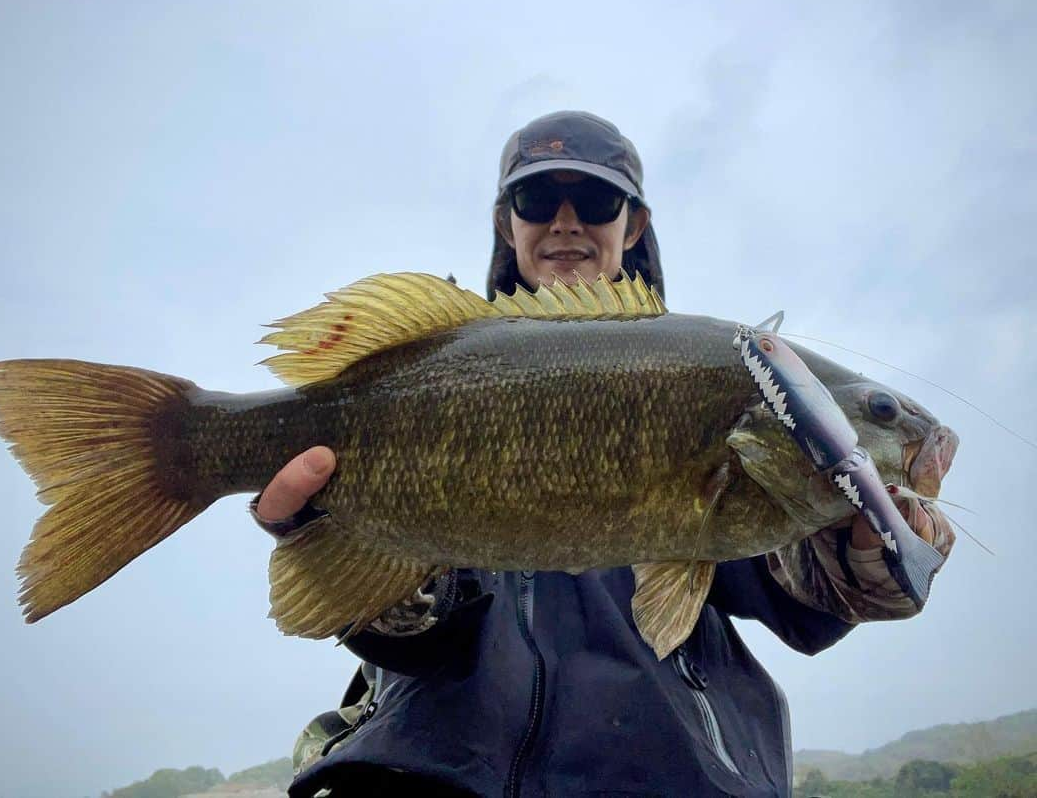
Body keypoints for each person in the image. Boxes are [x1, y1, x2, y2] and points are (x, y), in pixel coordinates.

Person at [251, 111, 955, 798]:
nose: (565, 220)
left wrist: (861, 555)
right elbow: (418, 640)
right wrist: (338, 540)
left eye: (593, 199)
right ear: (507, 224)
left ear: (633, 223)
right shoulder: (434, 359)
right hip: (432, 772)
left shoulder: (714, 387)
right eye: (535, 199)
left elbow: (796, 593)